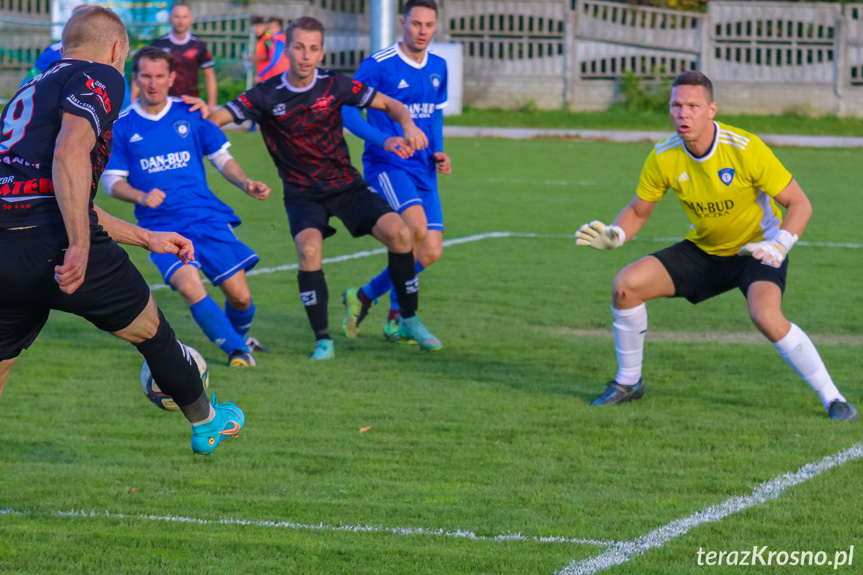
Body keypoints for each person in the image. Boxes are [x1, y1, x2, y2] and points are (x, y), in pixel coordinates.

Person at [0, 6, 245, 454]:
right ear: (117, 50)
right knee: (154, 335)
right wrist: (77, 246)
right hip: (57, 243)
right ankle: (207, 420)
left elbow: (59, 193)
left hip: (5, 247)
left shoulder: (31, 89)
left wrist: (148, 237)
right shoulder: (101, 75)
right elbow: (69, 154)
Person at [575, 70, 857, 421]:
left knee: (766, 316)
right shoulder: (663, 156)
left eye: (693, 105)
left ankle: (833, 398)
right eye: (676, 105)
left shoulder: (745, 149)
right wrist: (615, 234)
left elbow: (800, 204)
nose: (683, 114)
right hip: (705, 251)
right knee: (626, 287)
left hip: (756, 250)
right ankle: (628, 383)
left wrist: (780, 245)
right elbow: (637, 210)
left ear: (712, 110)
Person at [201, 16, 440, 359]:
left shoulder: (335, 85)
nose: (306, 56)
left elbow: (391, 104)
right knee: (309, 251)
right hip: (303, 194)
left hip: (347, 186)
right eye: (299, 47)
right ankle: (323, 339)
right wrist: (197, 113)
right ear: (287, 48)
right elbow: (216, 119)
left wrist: (407, 125)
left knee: (402, 235)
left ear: (321, 52)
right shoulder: (266, 94)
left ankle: (409, 319)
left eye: (313, 49)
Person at [102, 47, 271, 367]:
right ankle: (238, 352)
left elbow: (221, 157)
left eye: (159, 76)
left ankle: (238, 339)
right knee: (190, 287)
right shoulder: (122, 126)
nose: (153, 83)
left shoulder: (191, 113)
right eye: (146, 76)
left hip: (206, 217)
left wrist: (245, 182)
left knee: (241, 296)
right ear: (134, 78)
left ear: (172, 78)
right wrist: (140, 196)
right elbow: (111, 182)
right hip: (161, 227)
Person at [340, 0, 450, 347]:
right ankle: (406, 318)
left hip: (423, 167)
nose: (422, 31)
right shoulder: (378, 66)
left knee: (430, 251)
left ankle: (366, 297)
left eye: (429, 25)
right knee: (414, 228)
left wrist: (438, 150)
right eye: (416, 24)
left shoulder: (438, 66)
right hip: (387, 164)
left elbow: (433, 117)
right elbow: (349, 114)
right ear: (402, 22)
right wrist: (385, 139)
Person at [132, 2, 217, 109]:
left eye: (184, 17)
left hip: (190, 103)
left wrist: (212, 104)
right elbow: (143, 72)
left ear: (191, 19)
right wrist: (133, 101)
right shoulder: (159, 44)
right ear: (170, 18)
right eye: (177, 17)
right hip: (162, 103)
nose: (180, 21)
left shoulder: (199, 45)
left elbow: (209, 75)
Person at [257, 17, 289, 83]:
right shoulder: (273, 39)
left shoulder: (279, 40)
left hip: (282, 74)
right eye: (270, 28)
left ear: (279, 27)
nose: (271, 30)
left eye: (273, 27)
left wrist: (260, 74)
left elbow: (274, 60)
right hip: (279, 74)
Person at [251, 16, 272, 84]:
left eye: (258, 27)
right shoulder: (261, 39)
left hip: (267, 77)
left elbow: (270, 56)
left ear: (264, 27)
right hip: (262, 77)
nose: (256, 30)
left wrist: (254, 58)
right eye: (255, 27)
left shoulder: (267, 39)